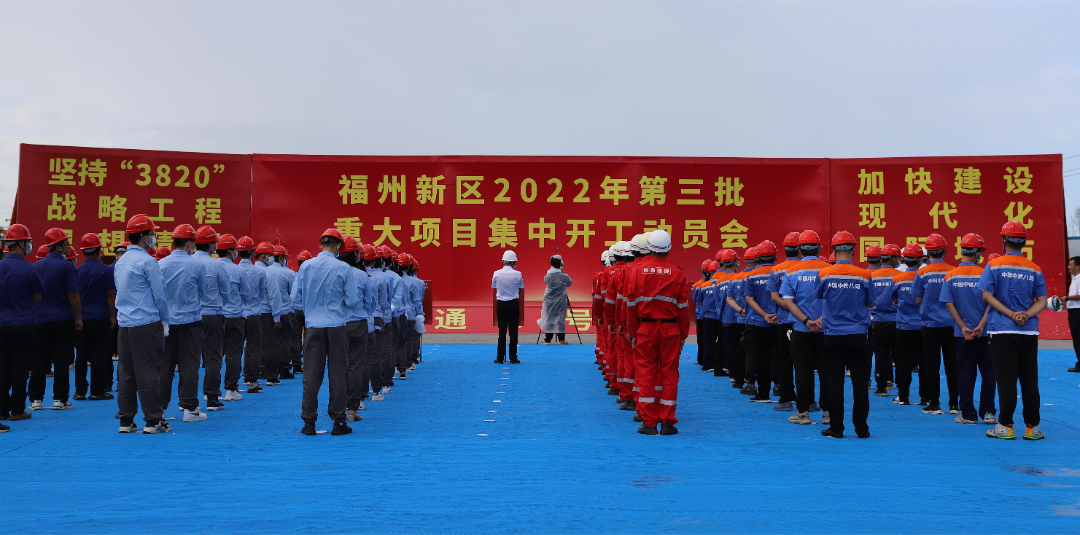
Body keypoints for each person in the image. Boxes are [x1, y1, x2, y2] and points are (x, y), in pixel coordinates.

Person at [979, 221, 1048, 440]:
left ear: (1003, 240)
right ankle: (1032, 427)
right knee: (1029, 380)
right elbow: (1042, 301)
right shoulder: (1034, 268)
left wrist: (1010, 314)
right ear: (1024, 242)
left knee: (1006, 379)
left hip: (1001, 331)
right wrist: (1025, 315)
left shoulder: (995, 265)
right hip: (1028, 331)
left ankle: (1005, 426)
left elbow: (987, 296)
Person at [293, 228, 358, 435]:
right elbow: (353, 300)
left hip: (313, 327)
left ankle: (309, 422)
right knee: (337, 374)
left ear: (320, 244)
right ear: (338, 246)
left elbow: (296, 298)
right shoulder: (343, 268)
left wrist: (311, 308)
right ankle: (338, 421)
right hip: (336, 326)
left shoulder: (306, 267)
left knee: (311, 376)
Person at [624, 230, 689, 436]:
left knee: (646, 375)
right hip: (671, 330)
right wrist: (683, 334)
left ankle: (649, 423)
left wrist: (633, 332)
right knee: (670, 374)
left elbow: (631, 305)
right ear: (669, 249)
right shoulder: (677, 273)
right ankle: (668, 422)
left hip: (645, 329)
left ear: (649, 247)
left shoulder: (636, 272)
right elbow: (683, 308)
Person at [113, 214, 171, 433]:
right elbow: (160, 294)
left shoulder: (121, 261)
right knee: (148, 372)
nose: (154, 237)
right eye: (152, 234)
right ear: (144, 236)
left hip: (125, 324)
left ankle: (126, 420)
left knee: (126, 373)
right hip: (146, 323)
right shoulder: (148, 262)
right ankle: (153, 420)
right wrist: (165, 320)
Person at [815, 231, 874, 439]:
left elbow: (819, 297)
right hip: (858, 335)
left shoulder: (824, 274)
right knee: (860, 383)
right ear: (853, 250)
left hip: (833, 335)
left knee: (834, 382)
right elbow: (870, 303)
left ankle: (836, 427)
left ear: (834, 250)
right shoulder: (864, 275)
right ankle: (862, 428)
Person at [940, 233, 996, 425]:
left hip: (961, 334)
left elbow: (949, 304)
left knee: (965, 373)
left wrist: (964, 327)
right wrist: (981, 326)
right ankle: (988, 412)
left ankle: (968, 414)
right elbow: (992, 303)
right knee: (989, 373)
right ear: (978, 252)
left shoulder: (951, 276)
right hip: (986, 332)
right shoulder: (986, 274)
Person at [779, 230, 831, 425]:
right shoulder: (828, 269)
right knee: (827, 371)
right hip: (825, 330)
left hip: (801, 330)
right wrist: (820, 320)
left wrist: (806, 321)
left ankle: (803, 413)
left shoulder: (792, 271)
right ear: (819, 249)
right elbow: (832, 301)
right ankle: (828, 413)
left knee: (802, 371)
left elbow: (788, 302)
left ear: (799, 250)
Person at [158, 224, 208, 422]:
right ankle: (190, 408)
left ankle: (159, 408)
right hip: (190, 322)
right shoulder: (196, 265)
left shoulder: (161, 264)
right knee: (190, 367)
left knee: (164, 368)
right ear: (188, 243)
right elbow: (202, 292)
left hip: (166, 323)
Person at [29, 228, 82, 411]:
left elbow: (33, 294)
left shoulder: (36, 267)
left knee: (39, 358)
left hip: (41, 319)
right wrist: (78, 317)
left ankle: (36, 399)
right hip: (62, 319)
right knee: (61, 359)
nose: (69, 247)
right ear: (58, 247)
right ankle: (59, 399)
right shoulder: (67, 267)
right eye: (67, 244)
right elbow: (73, 294)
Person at [0, 224, 43, 431]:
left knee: (3, 367)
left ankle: (1, 408)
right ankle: (17, 409)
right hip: (24, 324)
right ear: (21, 243)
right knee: (20, 368)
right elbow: (37, 298)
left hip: (2, 324)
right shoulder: (29, 269)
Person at [912, 233, 958, 416]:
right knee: (952, 366)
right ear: (945, 251)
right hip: (951, 325)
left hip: (930, 325)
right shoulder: (953, 271)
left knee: (931, 366)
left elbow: (917, 299)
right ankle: (954, 405)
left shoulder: (922, 273)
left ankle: (934, 404)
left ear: (927, 254)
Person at [191, 225, 230, 411]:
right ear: (211, 245)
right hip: (213, 314)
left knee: (188, 359)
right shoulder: (217, 265)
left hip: (191, 316)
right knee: (213, 357)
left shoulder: (189, 262)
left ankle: (187, 400)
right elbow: (227, 292)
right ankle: (212, 397)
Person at [73, 233, 116, 402]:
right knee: (98, 353)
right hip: (100, 316)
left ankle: (79, 391)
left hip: (82, 317)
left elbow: (74, 293)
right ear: (99, 250)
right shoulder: (105, 270)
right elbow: (110, 294)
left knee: (81, 354)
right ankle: (97, 390)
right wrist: (113, 316)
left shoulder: (77, 270)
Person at [338, 236, 372, 422]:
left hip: (336, 324)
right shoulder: (361, 275)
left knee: (337, 366)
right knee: (355, 365)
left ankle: (337, 406)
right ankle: (352, 408)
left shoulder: (332, 272)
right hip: (358, 323)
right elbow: (371, 303)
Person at [768, 232, 802, 411]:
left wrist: (789, 308)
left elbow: (774, 297)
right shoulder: (808, 269)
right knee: (806, 362)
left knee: (785, 361)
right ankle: (808, 401)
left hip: (783, 321)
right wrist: (800, 313)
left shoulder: (777, 269)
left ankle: (786, 399)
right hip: (806, 322)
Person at [743, 240, 780, 403]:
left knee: (761, 358)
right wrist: (776, 314)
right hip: (780, 321)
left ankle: (763, 393)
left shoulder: (751, 275)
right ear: (775, 256)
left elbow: (750, 300)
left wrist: (764, 315)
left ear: (757, 258)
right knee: (780, 356)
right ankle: (781, 387)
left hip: (759, 322)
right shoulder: (780, 272)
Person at [216, 234, 250, 402]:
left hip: (214, 316)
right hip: (234, 316)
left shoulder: (211, 267)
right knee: (234, 353)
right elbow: (246, 294)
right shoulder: (237, 270)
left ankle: (211, 392)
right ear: (230, 251)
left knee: (213, 355)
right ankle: (231, 389)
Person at [890, 244, 924, 406]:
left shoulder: (898, 279)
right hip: (923, 326)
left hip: (904, 326)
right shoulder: (924, 276)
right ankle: (926, 397)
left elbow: (893, 299)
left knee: (903, 363)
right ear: (921, 259)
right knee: (925, 363)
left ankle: (903, 396)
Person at [869, 244, 901, 396]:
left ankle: (880, 387)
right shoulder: (898, 276)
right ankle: (901, 387)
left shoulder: (873, 276)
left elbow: (868, 300)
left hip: (878, 321)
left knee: (880, 355)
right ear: (893, 259)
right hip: (897, 321)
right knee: (899, 355)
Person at [726, 247, 756, 393]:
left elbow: (729, 299)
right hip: (759, 319)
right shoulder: (760, 275)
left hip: (741, 319)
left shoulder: (735, 278)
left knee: (740, 350)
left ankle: (738, 380)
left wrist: (740, 310)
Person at [361, 244, 389, 400]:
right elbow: (382, 302)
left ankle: (357, 398)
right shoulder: (378, 278)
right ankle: (376, 391)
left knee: (355, 360)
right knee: (375, 356)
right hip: (374, 318)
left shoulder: (351, 275)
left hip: (351, 321)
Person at [267, 245, 297, 380]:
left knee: (268, 342)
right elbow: (294, 293)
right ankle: (284, 368)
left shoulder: (265, 271)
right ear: (281, 258)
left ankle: (266, 368)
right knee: (284, 341)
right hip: (285, 311)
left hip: (267, 312)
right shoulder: (289, 273)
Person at [493, 250, 524, 364]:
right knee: (513, 332)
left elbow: (494, 287)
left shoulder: (496, 273)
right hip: (513, 304)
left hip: (501, 304)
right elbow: (520, 288)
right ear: (512, 262)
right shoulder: (518, 274)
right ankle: (513, 357)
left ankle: (500, 357)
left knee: (501, 332)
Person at [713, 250, 739, 379]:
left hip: (725, 318)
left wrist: (721, 317)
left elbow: (718, 302)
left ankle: (732, 373)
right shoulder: (739, 278)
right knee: (740, 346)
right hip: (740, 318)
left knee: (728, 346)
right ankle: (742, 373)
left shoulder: (718, 281)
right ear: (735, 262)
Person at [539, 255, 574, 344]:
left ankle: (547, 339)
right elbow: (570, 283)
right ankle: (561, 339)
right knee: (560, 319)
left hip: (549, 301)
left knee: (549, 318)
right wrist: (563, 273)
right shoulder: (565, 276)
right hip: (561, 302)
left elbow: (545, 281)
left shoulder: (548, 276)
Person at [294, 249, 314, 373]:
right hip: (309, 310)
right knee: (309, 337)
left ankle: (297, 363)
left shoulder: (295, 275)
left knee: (296, 338)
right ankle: (309, 362)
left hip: (297, 309)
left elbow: (294, 295)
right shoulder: (313, 276)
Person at [1061, 256, 1080, 373]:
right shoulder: (1075, 278)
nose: (1068, 267)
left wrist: (1067, 297)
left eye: (1070, 264)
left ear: (1077, 266)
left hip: (1077, 312)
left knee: (1078, 338)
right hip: (1074, 311)